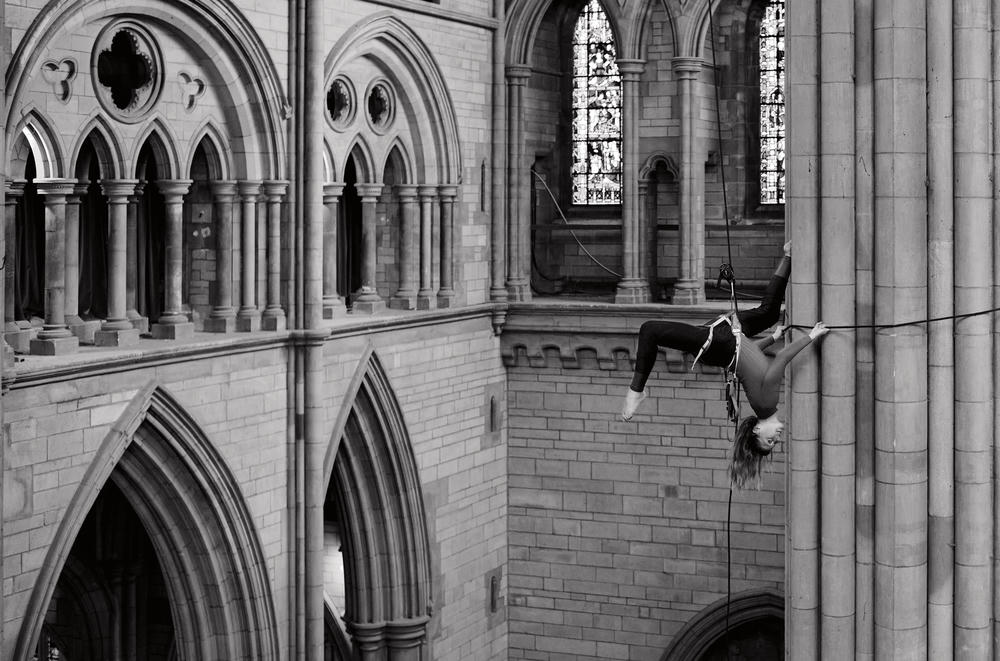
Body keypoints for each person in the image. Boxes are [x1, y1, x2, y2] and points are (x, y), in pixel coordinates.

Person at [619, 242, 830, 487]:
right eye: (775, 443)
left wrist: (812, 336)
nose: (777, 438)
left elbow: (781, 358)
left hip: (721, 342)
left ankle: (637, 391)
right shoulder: (763, 404)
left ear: (757, 431)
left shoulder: (766, 403)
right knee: (769, 314)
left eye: (769, 441)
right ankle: (789, 255)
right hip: (731, 341)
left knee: (649, 331)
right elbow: (751, 358)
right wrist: (773, 337)